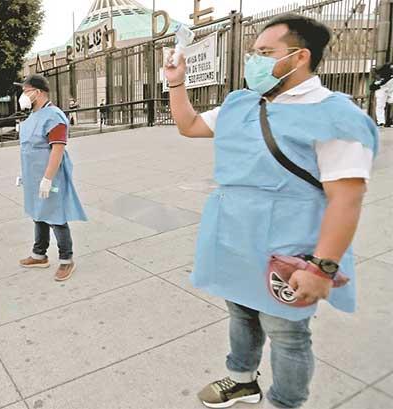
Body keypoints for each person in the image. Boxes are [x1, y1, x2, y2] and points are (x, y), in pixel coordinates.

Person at [164, 14, 378, 409]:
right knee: (241, 312)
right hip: (234, 239)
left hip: (289, 250)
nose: (255, 61)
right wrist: (176, 82)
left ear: (299, 57)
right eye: (254, 53)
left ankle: (286, 402)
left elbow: (346, 199)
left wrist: (321, 267)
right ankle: (242, 379)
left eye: (265, 53)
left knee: (287, 334)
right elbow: (190, 126)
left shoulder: (338, 117)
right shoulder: (241, 103)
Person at [14, 74, 88, 282]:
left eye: (26, 90)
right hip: (33, 177)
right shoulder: (31, 118)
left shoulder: (54, 116)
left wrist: (48, 178)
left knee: (56, 217)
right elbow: (28, 149)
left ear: (38, 92)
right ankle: (39, 254)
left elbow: (57, 148)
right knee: (38, 214)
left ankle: (66, 260)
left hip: (50, 176)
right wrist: (25, 174)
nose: (23, 95)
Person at [371, 62, 393, 127]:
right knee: (380, 105)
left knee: (388, 102)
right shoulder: (387, 65)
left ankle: (390, 121)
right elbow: (373, 69)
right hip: (382, 87)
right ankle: (381, 122)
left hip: (391, 87)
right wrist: (378, 78)